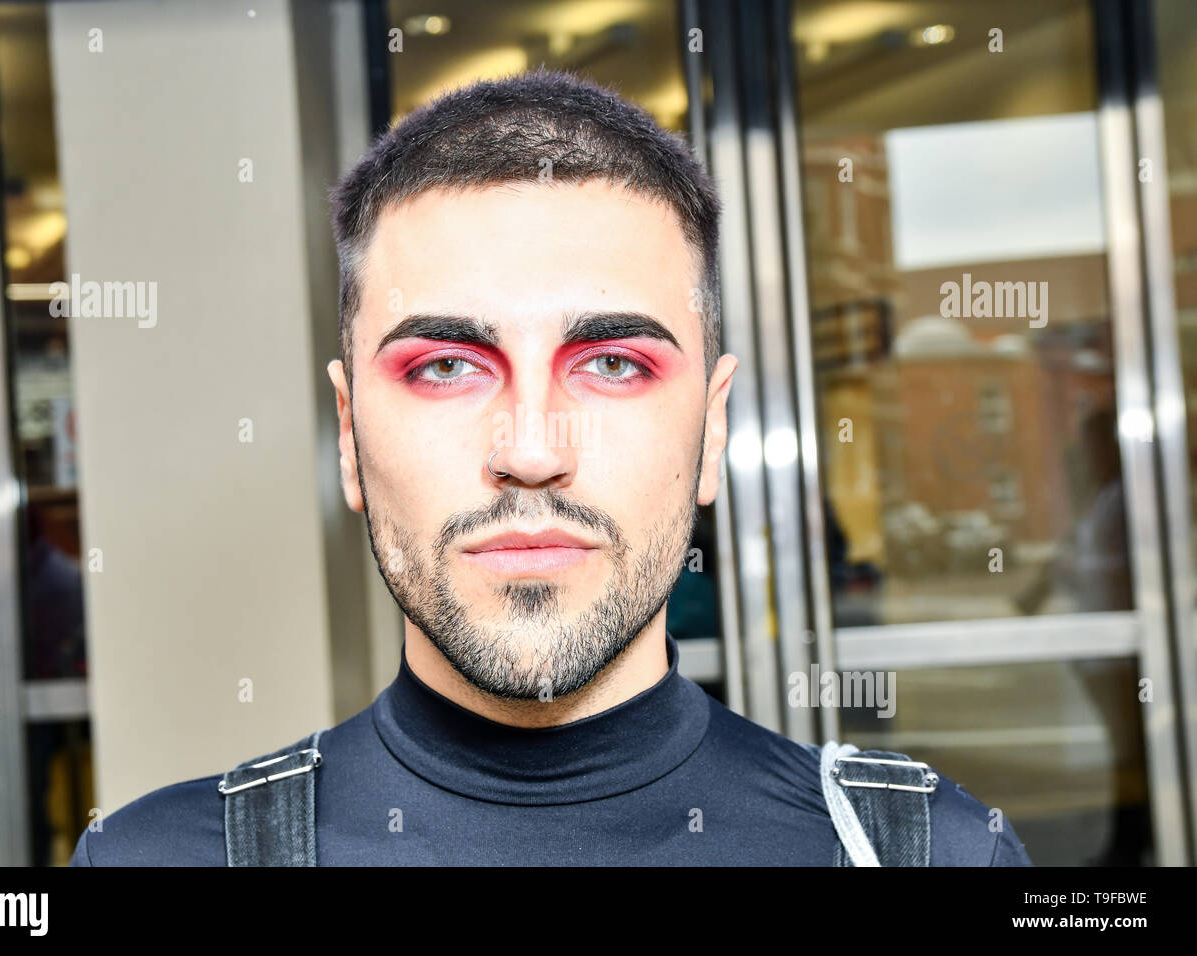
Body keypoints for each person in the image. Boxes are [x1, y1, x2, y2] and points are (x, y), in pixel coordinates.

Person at [70, 67, 1030, 866]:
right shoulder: (151, 860)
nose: (531, 451)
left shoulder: (931, 853)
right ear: (350, 435)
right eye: (446, 366)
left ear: (713, 432)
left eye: (612, 364)